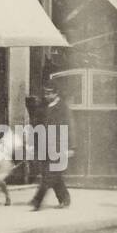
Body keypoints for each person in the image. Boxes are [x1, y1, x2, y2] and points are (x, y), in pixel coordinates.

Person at [30, 83, 72, 211]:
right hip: (44, 145)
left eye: (49, 93)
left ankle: (37, 201)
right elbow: (36, 126)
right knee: (53, 175)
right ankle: (64, 198)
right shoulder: (43, 107)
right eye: (45, 93)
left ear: (56, 93)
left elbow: (70, 127)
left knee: (49, 175)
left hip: (58, 146)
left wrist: (70, 147)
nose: (46, 95)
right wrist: (33, 144)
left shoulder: (63, 108)